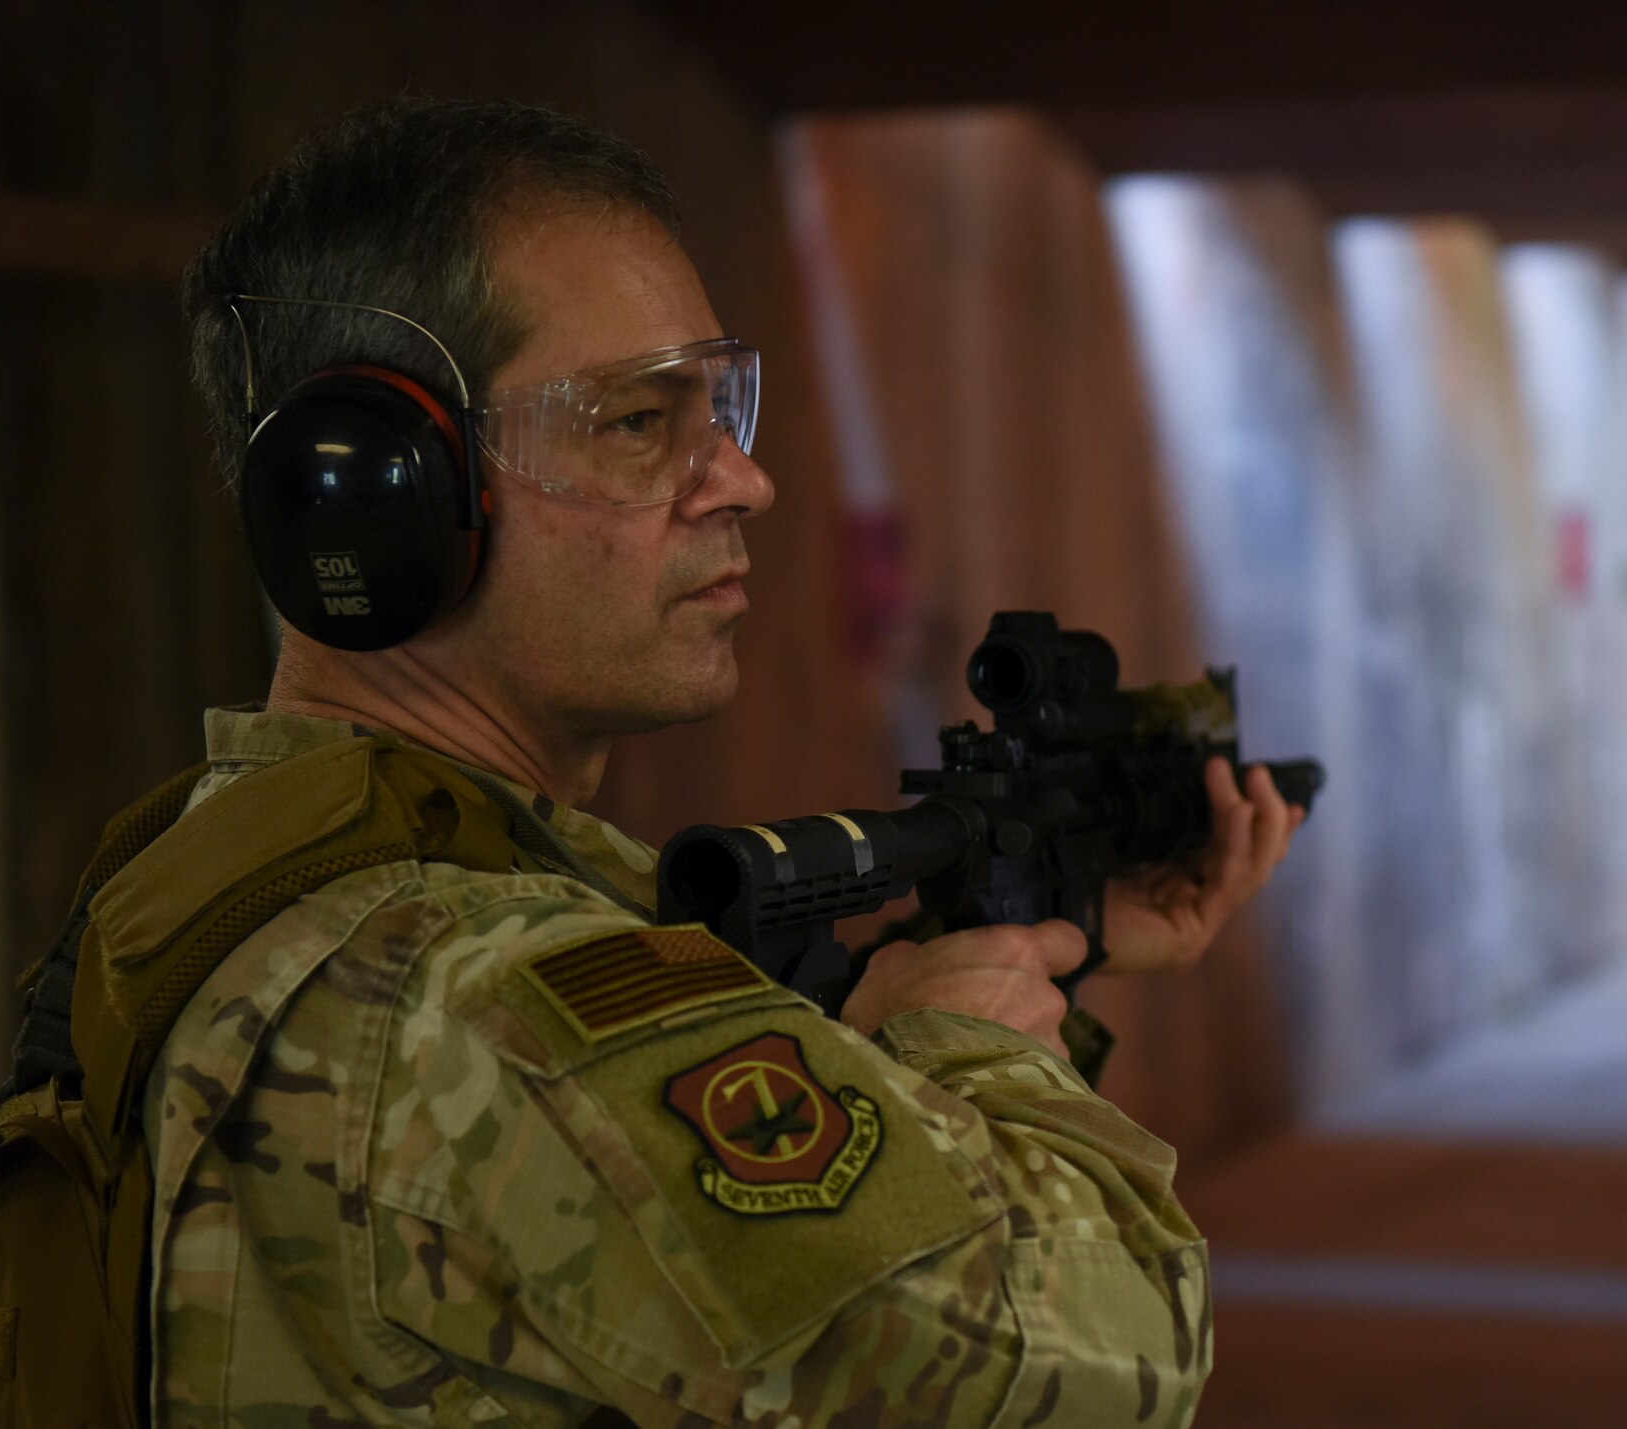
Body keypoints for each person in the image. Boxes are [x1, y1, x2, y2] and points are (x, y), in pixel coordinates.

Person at [143, 96, 1305, 1426]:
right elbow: (1113, 1359)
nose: (740, 479)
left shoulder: (208, 881)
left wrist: (991, 987)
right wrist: (976, 1045)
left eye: (719, 406)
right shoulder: (500, 1003)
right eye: (640, 421)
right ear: (385, 491)